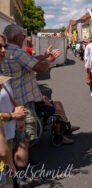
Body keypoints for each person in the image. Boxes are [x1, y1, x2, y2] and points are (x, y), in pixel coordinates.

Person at [0, 24, 61, 185]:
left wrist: (43, 55)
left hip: (10, 100)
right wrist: (50, 59)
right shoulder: (17, 51)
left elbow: (30, 62)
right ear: (16, 37)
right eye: (22, 35)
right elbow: (40, 68)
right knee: (24, 140)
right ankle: (22, 178)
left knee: (14, 139)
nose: (24, 37)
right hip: (23, 102)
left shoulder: (7, 51)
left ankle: (16, 171)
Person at [0, 34, 27, 186]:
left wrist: (18, 114)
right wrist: (13, 115)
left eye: (5, 46)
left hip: (7, 136)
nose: (4, 50)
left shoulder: (1, 71)